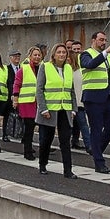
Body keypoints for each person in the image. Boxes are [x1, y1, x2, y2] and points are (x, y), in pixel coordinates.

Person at [80, 31, 110, 174]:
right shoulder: (86, 54)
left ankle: (95, 149)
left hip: (108, 96)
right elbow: (90, 65)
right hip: (93, 97)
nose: (104, 42)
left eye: (105, 40)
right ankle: (99, 163)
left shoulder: (108, 57)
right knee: (96, 129)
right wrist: (106, 52)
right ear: (93, 40)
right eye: (101, 40)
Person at [36, 43, 77, 178]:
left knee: (65, 140)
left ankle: (68, 170)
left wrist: (74, 109)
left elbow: (71, 91)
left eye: (64, 52)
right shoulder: (45, 67)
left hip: (65, 109)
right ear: (53, 54)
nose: (61, 55)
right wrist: (43, 108)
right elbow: (39, 89)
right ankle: (43, 164)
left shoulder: (68, 69)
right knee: (46, 140)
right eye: (59, 52)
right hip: (49, 110)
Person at [13, 46, 42, 161]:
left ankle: (34, 148)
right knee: (29, 128)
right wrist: (15, 99)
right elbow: (16, 84)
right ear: (30, 56)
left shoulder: (43, 68)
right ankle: (27, 151)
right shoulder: (23, 69)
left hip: (39, 103)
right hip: (27, 103)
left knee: (38, 127)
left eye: (39, 55)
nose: (37, 57)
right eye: (35, 55)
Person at [68, 41, 91, 153]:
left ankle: (75, 141)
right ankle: (88, 145)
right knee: (82, 124)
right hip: (75, 102)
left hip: (79, 101)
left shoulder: (81, 70)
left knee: (78, 123)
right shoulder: (70, 71)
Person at [4, 50, 22, 141]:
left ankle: (19, 132)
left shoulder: (22, 68)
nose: (17, 58)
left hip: (20, 95)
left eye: (18, 56)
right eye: (15, 56)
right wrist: (11, 94)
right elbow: (8, 82)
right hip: (9, 95)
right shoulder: (7, 69)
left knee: (20, 116)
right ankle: (5, 134)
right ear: (10, 58)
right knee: (8, 115)